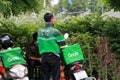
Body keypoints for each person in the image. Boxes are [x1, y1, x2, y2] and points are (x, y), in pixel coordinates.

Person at [37, 13, 66, 80]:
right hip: (54, 56)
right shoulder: (55, 31)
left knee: (45, 76)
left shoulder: (40, 31)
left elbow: (38, 43)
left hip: (44, 56)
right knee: (55, 76)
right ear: (52, 19)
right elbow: (63, 43)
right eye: (54, 18)